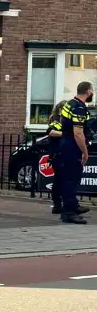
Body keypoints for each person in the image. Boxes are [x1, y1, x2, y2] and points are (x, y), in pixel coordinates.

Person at [55, 81, 93, 224]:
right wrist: (84, 151)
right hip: (73, 146)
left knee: (69, 178)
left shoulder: (70, 104)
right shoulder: (79, 107)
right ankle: (69, 213)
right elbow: (78, 132)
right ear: (88, 92)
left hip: (66, 144)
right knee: (71, 179)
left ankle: (72, 205)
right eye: (92, 92)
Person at [46, 100, 68, 215]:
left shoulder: (64, 119)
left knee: (62, 180)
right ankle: (57, 204)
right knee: (59, 180)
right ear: (61, 109)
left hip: (62, 154)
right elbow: (51, 132)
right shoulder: (56, 119)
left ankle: (61, 204)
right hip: (57, 155)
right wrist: (67, 135)